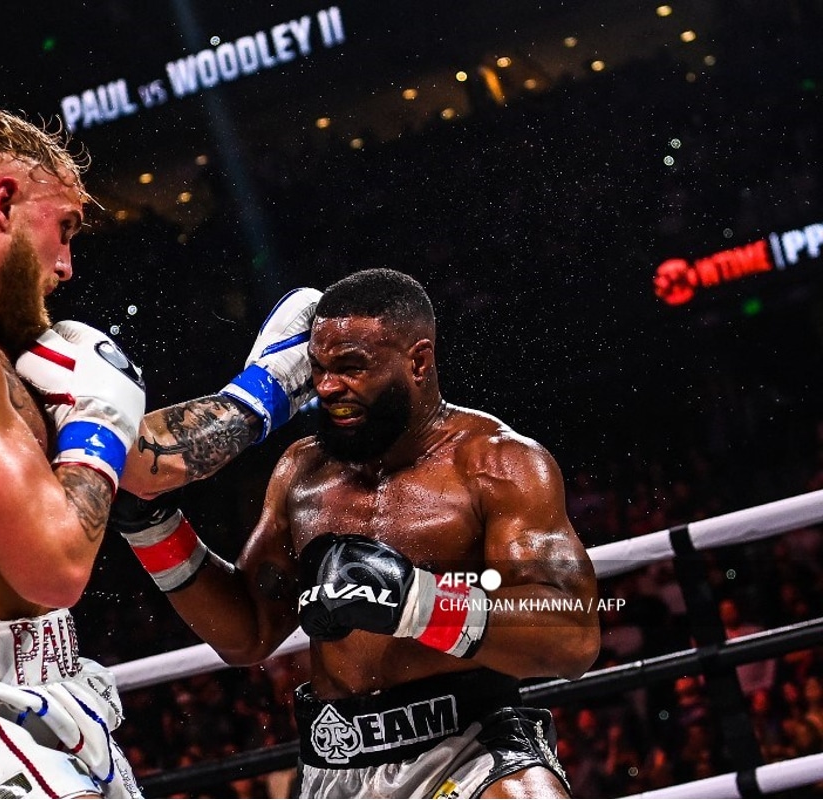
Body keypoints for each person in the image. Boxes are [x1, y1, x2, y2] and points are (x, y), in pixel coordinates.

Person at [0, 107, 320, 799]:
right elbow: (55, 565)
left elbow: (136, 466)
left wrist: (263, 394)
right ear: (4, 201)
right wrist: (102, 412)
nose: (66, 265)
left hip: (50, 690)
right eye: (65, 228)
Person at [112, 268, 601, 798]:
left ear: (418, 361)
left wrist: (417, 602)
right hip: (336, 763)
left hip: (471, 744)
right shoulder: (302, 472)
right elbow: (250, 631)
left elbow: (571, 637)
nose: (326, 387)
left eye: (351, 367)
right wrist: (151, 526)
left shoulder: (498, 465)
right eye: (318, 368)